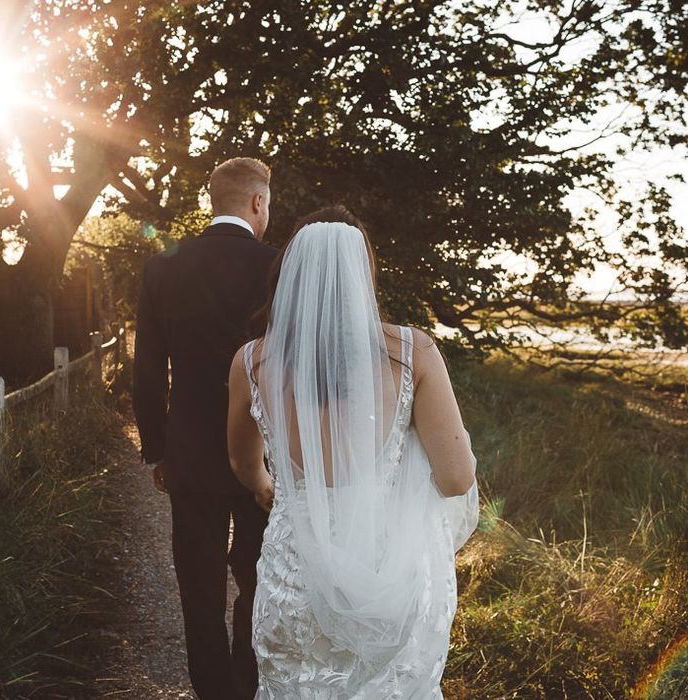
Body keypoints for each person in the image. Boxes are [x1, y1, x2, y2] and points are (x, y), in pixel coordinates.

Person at [227, 206, 479, 699]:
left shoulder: (252, 361)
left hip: (292, 578)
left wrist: (266, 488)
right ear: (364, 275)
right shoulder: (412, 353)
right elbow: (456, 479)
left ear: (290, 276)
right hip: (384, 576)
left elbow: (241, 460)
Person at [132, 157, 278, 699]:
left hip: (189, 450)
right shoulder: (275, 263)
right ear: (258, 202)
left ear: (212, 200)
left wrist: (157, 449)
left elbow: (148, 368)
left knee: (199, 585)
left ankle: (214, 693)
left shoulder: (163, 267)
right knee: (259, 579)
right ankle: (248, 683)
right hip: (264, 455)